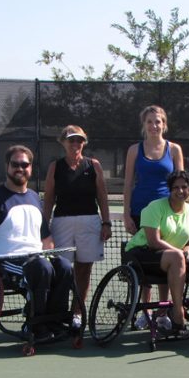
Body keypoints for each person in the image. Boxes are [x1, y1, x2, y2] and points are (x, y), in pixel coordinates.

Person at [0, 145, 75, 336]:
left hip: (35, 258)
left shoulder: (35, 197)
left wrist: (51, 257)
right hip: (3, 261)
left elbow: (46, 238)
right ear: (7, 167)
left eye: (24, 164)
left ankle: (54, 321)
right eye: (15, 164)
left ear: (31, 168)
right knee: (42, 268)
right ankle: (35, 325)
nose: (20, 168)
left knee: (65, 266)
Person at [42, 125, 112, 326]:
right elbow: (48, 200)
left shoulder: (94, 165)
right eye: (71, 140)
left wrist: (106, 222)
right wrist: (44, 229)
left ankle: (77, 313)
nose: (75, 144)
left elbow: (102, 196)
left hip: (89, 222)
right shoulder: (55, 167)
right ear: (63, 142)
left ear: (84, 143)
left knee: (84, 270)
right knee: (62, 269)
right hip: (62, 223)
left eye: (79, 140)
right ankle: (58, 312)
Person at [123, 105, 185, 328]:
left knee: (165, 261)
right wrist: (126, 214)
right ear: (144, 125)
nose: (154, 125)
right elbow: (129, 183)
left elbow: (181, 182)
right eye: (149, 121)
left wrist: (181, 212)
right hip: (140, 212)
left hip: (166, 214)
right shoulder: (134, 150)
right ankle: (144, 312)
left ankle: (163, 310)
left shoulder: (174, 149)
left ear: (164, 124)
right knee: (144, 262)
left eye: (158, 121)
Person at [124, 170, 189, 336]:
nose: (180, 191)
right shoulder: (155, 207)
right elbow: (154, 242)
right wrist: (180, 254)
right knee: (177, 257)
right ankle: (178, 313)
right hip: (140, 254)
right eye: (175, 187)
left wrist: (185, 253)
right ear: (169, 189)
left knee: (177, 258)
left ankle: (165, 314)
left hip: (170, 259)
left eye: (184, 187)